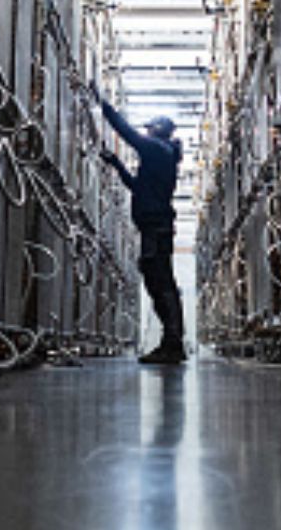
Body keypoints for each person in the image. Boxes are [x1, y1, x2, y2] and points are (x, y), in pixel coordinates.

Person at [92, 86, 186, 365]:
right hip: (154, 225)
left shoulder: (158, 149)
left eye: (149, 129)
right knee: (156, 279)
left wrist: (104, 105)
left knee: (160, 281)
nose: (145, 133)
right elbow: (136, 186)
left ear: (158, 130)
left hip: (156, 226)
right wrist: (116, 163)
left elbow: (127, 132)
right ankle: (171, 341)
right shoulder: (162, 154)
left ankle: (173, 344)